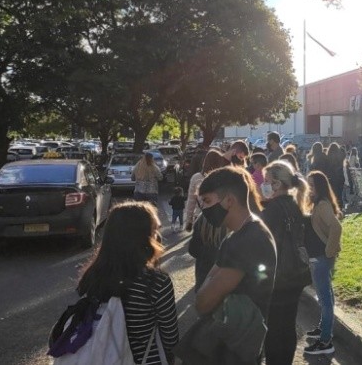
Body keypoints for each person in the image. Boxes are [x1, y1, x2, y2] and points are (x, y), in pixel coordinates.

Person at [76, 202, 178, 365]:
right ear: (143, 237)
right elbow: (170, 337)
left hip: (100, 358)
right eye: (154, 230)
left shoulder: (93, 276)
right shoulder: (156, 282)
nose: (158, 236)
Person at [194, 167, 277, 365]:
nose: (203, 209)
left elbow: (203, 302)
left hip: (234, 349)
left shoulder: (245, 241)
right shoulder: (243, 233)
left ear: (229, 200)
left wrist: (210, 283)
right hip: (238, 342)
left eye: (207, 201)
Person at [259, 160, 312, 365]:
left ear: (277, 184)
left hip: (277, 277)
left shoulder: (271, 211)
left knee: (273, 327)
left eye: (267, 181)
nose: (263, 185)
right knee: (288, 323)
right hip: (295, 274)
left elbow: (264, 245)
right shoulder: (296, 205)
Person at [303, 171, 343, 355]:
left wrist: (329, 251)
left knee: (325, 299)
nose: (309, 188)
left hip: (321, 257)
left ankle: (325, 342)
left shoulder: (322, 205)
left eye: (312, 185)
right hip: (319, 257)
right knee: (326, 296)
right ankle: (324, 329)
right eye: (308, 184)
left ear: (320, 186)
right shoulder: (317, 203)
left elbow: (336, 227)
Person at [187, 150, 230, 286]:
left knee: (203, 249)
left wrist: (189, 220)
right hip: (223, 218)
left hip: (201, 217)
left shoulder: (196, 177)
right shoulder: (225, 178)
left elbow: (191, 201)